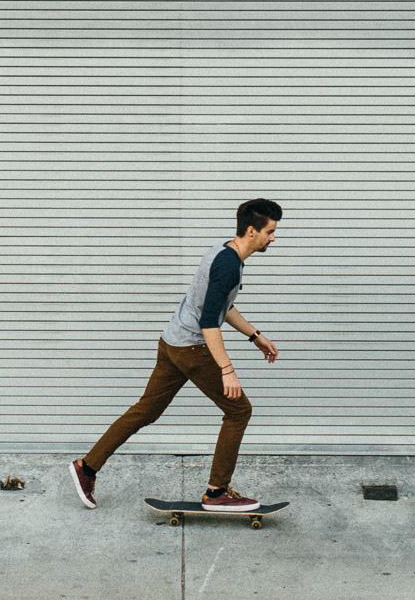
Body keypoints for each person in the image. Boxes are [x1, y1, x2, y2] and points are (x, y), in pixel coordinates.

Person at [69, 199, 284, 513]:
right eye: (270, 232)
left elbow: (218, 306)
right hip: (192, 348)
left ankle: (86, 467)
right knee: (239, 412)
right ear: (251, 231)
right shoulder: (228, 265)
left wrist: (254, 335)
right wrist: (227, 369)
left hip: (172, 341)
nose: (273, 238)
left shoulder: (223, 251)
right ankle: (217, 492)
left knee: (146, 410)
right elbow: (209, 321)